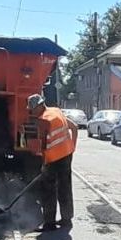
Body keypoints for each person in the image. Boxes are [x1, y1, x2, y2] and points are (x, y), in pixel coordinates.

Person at [27, 94, 77, 232]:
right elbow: (74, 127)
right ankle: (66, 220)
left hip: (54, 159)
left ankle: (49, 223)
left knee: (48, 189)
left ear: (39, 106)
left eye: (32, 109)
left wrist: (44, 165)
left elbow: (43, 147)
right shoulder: (56, 111)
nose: (32, 112)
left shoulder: (43, 121)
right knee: (65, 187)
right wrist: (73, 147)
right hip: (67, 155)